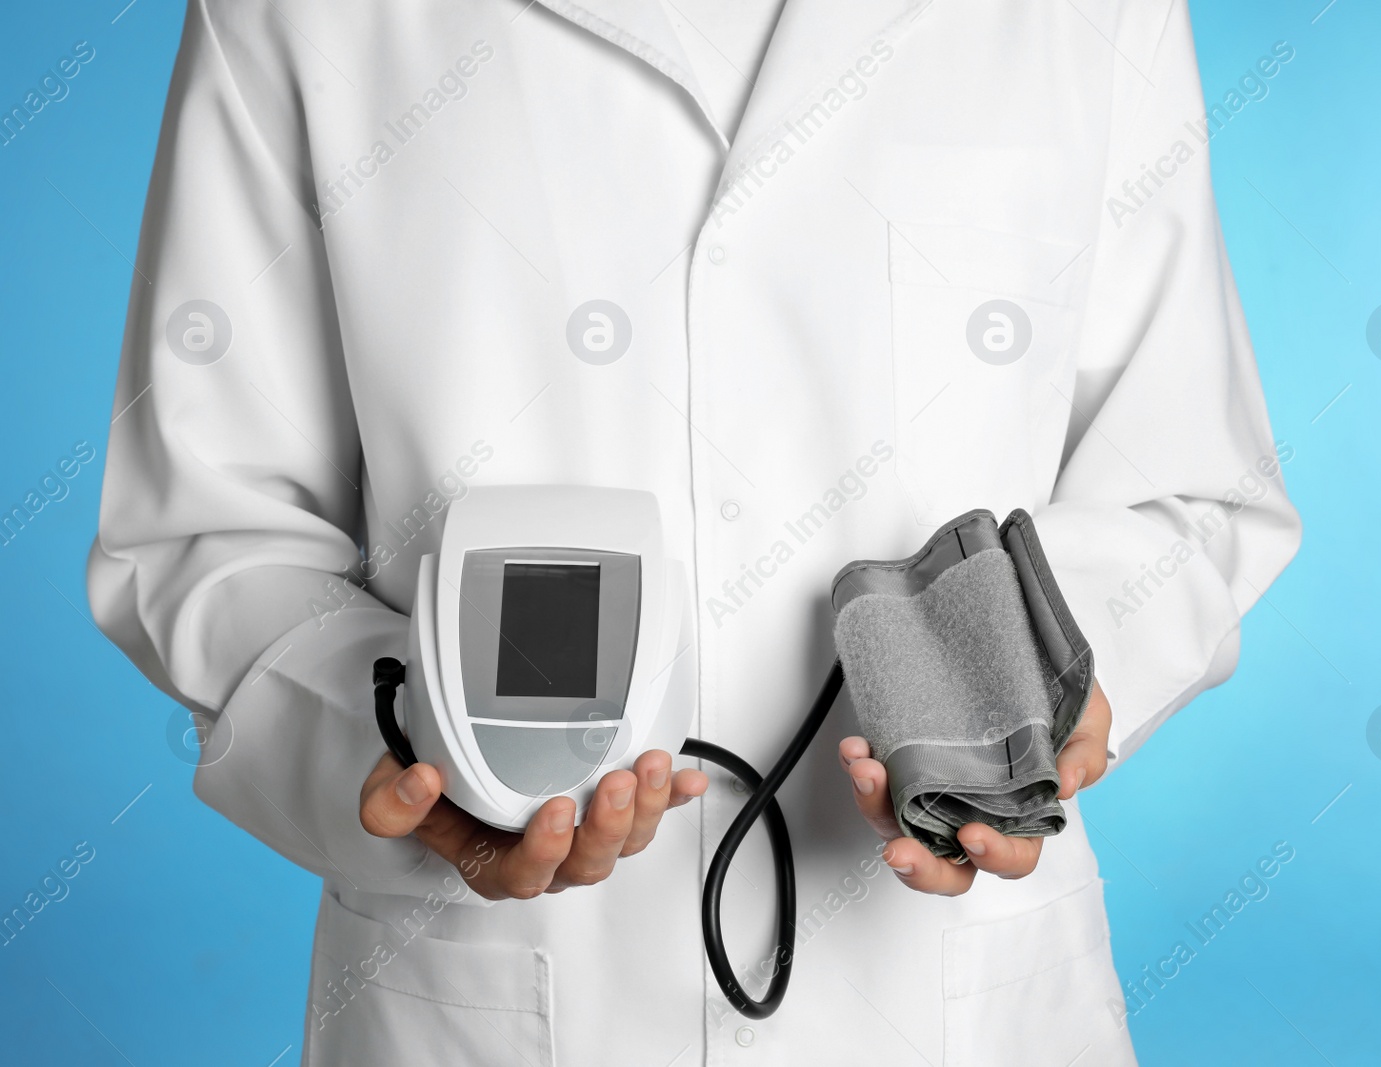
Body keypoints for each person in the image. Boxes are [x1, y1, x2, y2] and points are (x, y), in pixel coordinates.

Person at [88, 0, 1301, 1063]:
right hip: (495, 1002)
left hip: (952, 1004)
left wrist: (1030, 699)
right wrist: (415, 748)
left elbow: (1181, 491)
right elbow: (206, 529)